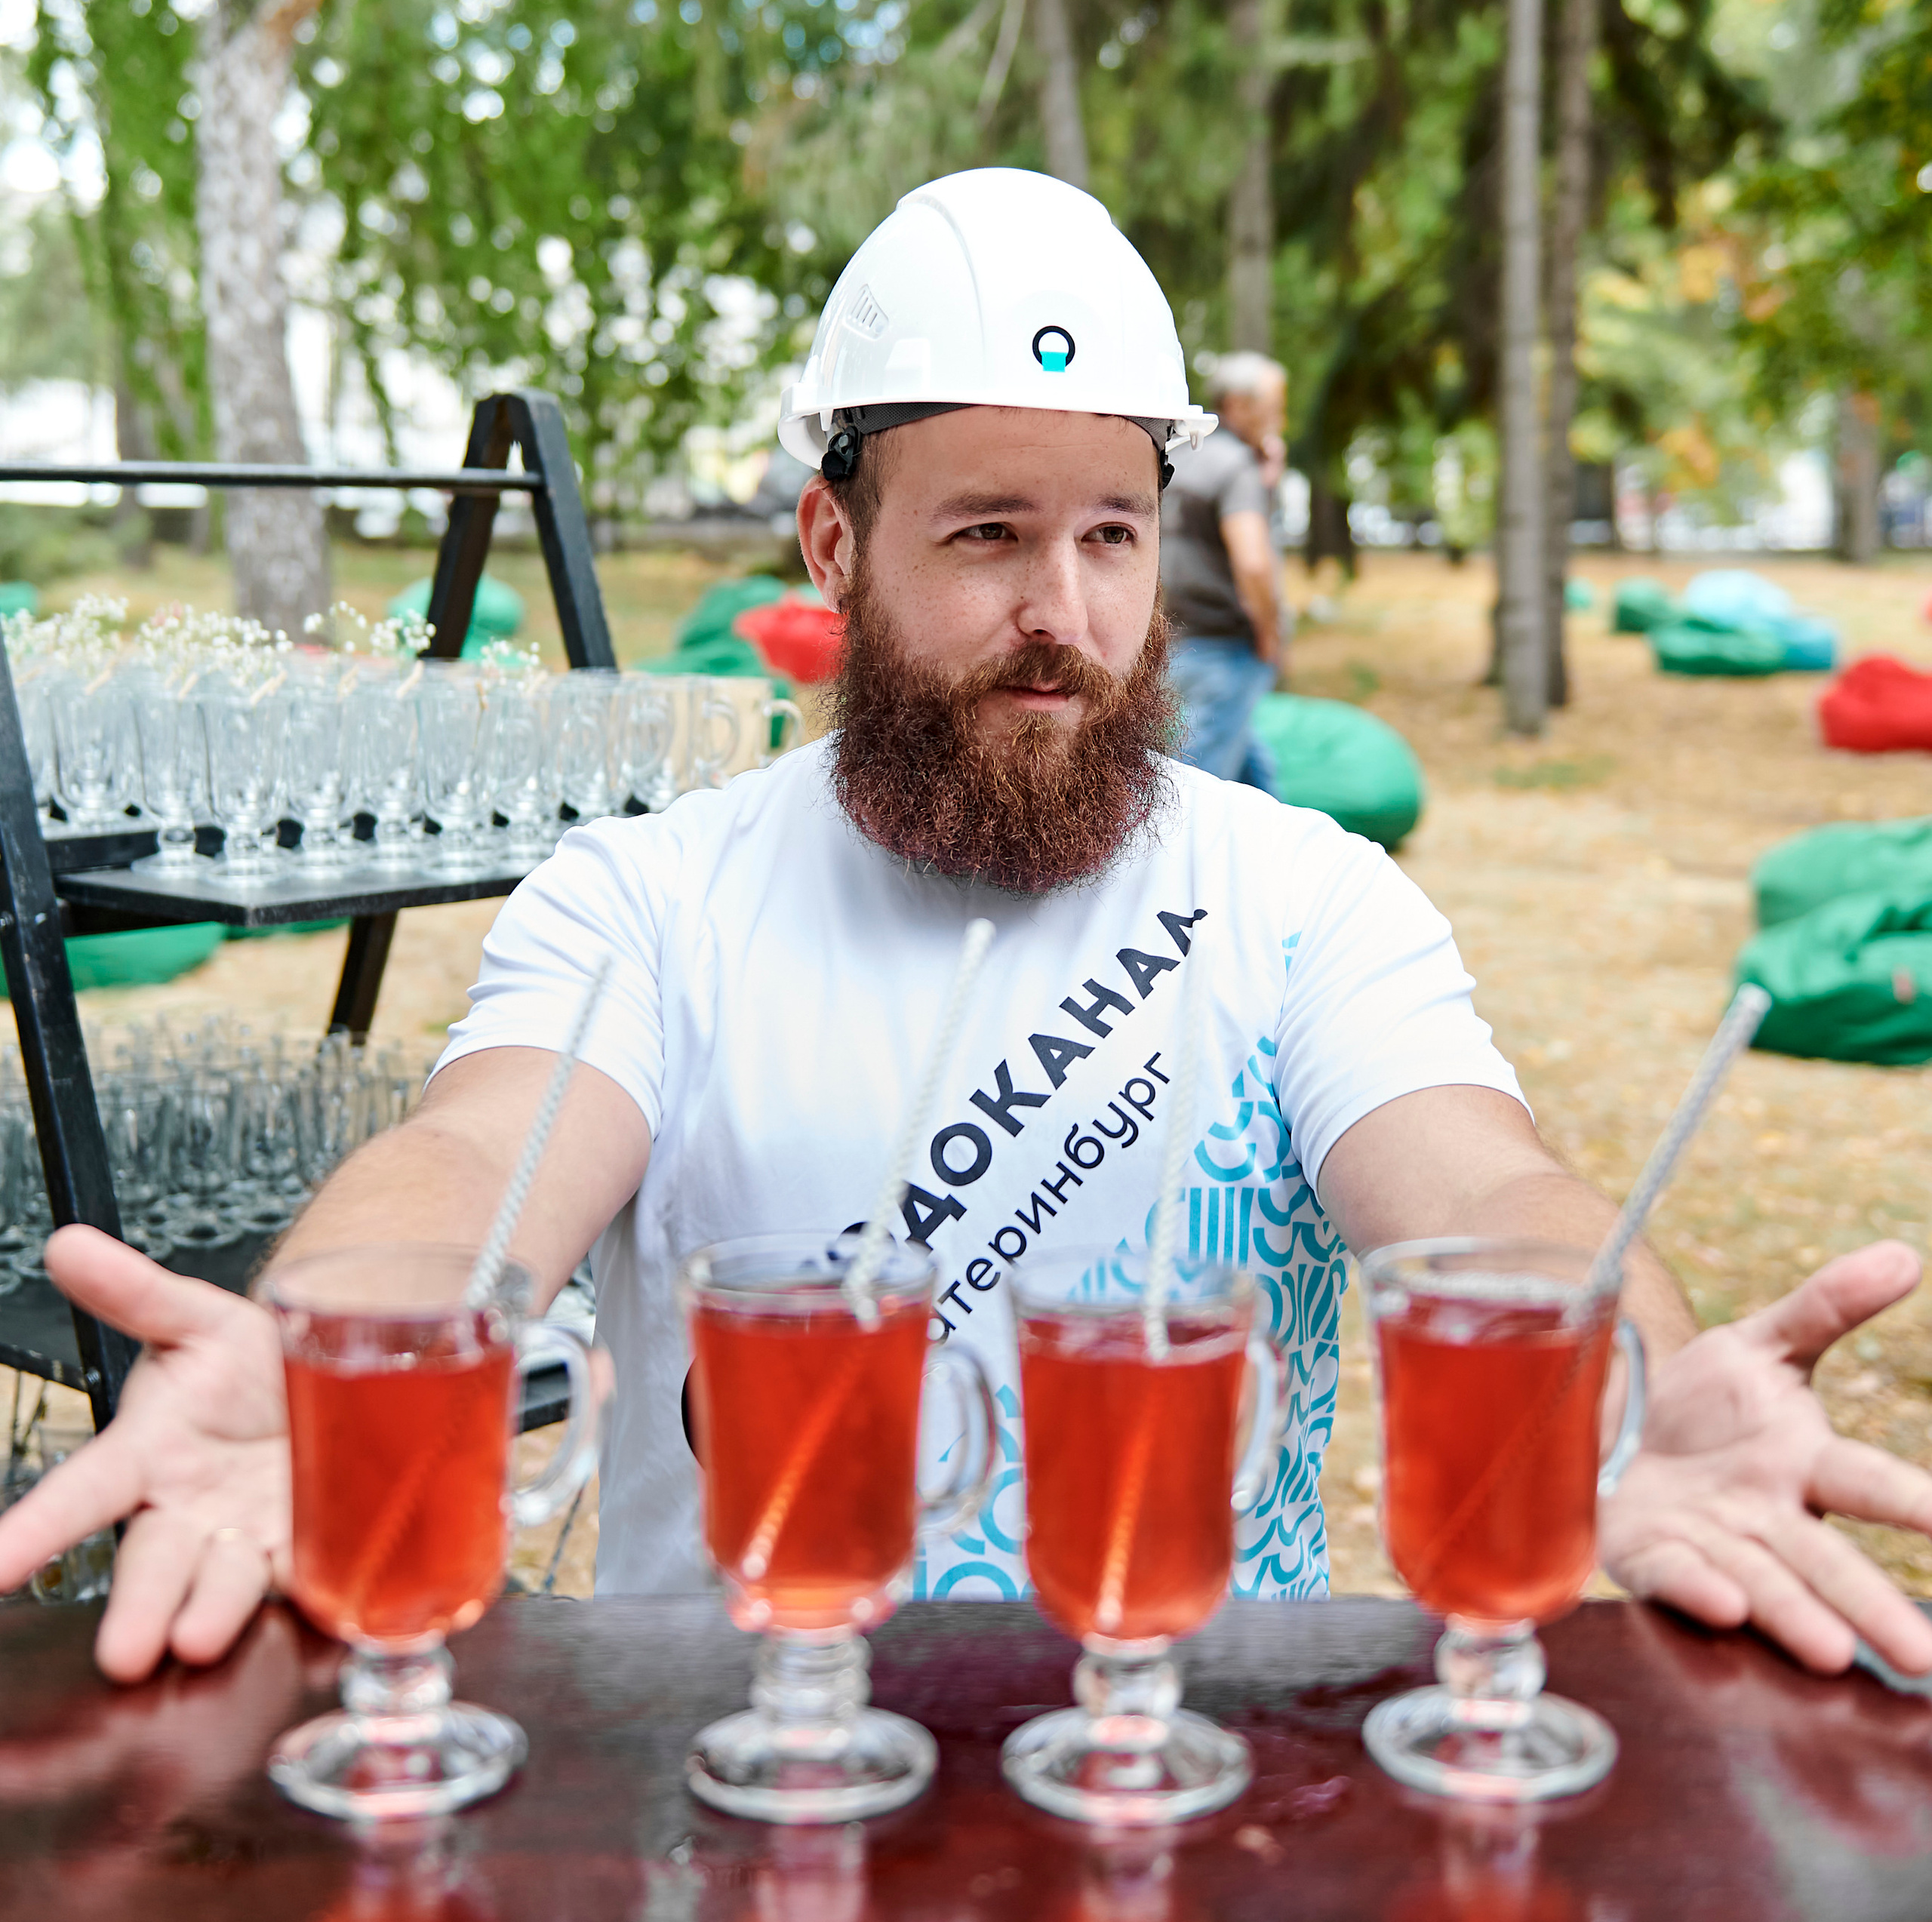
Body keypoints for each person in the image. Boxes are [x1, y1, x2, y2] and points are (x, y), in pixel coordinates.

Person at [6, 165, 1932, 1688]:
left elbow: (1492, 1206)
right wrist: (323, 1345)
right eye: (985, 532)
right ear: (831, 545)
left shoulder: (1303, 898)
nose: (1065, 611)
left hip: (1194, 1789)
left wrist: (1632, 1392)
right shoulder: (647, 899)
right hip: (752, 1792)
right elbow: (460, 1179)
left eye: (1108, 530)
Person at [1159, 351, 1288, 794]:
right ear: (1236, 404)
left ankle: (1281, 852)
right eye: (1272, 407)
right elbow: (1252, 561)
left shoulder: (1184, 457)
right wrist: (1270, 632)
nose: (1278, 419)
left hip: (1178, 636)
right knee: (1200, 781)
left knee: (1249, 762)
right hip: (1226, 644)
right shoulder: (1237, 467)